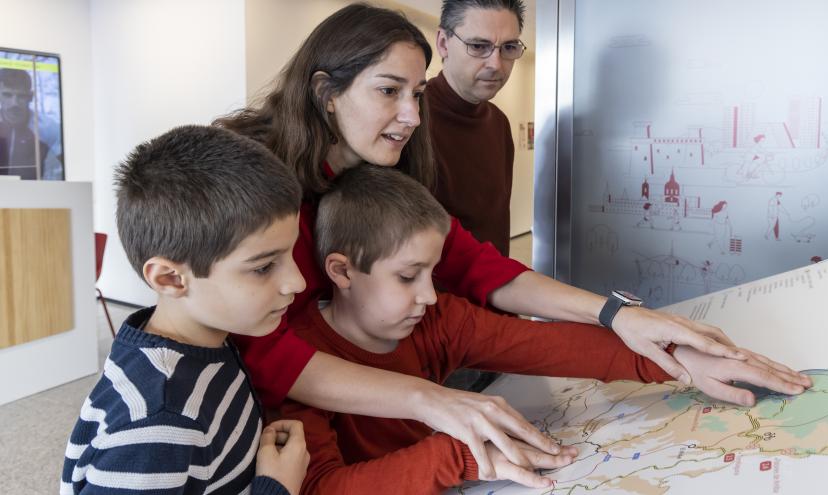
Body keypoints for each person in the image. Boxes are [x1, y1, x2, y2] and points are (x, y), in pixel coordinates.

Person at [215, 3, 752, 476]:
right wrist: (432, 401)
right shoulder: (253, 184)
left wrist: (619, 316)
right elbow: (266, 352)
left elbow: (477, 266)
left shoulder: (385, 174)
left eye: (418, 94)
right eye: (388, 91)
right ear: (325, 92)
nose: (410, 116)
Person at [270, 165, 811, 494]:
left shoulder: (439, 319)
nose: (431, 295)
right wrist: (460, 452)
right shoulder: (298, 372)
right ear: (340, 271)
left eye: (434, 273)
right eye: (408, 277)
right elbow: (321, 489)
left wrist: (681, 360)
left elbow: (546, 346)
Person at [60, 125, 310, 494]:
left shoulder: (209, 339)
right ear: (171, 279)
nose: (298, 281)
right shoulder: (156, 423)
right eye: (263, 266)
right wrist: (277, 487)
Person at [427, 0, 526, 257]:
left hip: (491, 291)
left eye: (508, 47)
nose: (496, 63)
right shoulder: (408, 119)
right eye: (478, 46)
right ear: (443, 43)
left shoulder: (499, 123)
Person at [0, 68, 48, 179]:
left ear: (30, 97)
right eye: (7, 95)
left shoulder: (46, 128)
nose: (14, 104)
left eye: (21, 96)